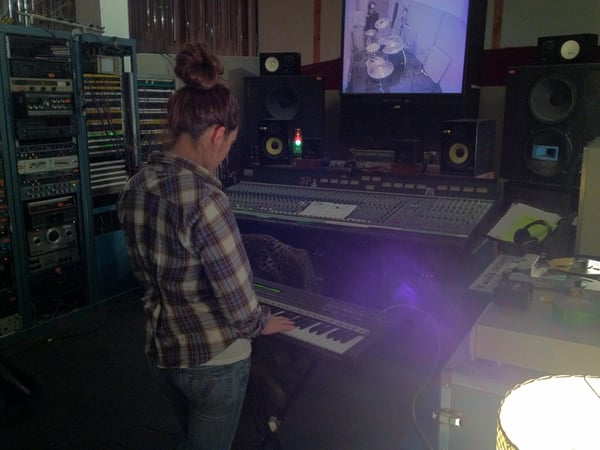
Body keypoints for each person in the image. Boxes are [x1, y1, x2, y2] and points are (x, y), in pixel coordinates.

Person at [117, 42, 296, 450]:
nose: (226, 153)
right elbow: (236, 298)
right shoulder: (206, 199)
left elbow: (148, 275)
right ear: (218, 134)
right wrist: (260, 323)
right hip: (214, 363)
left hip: (161, 354)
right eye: (229, 144)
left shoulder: (136, 186)